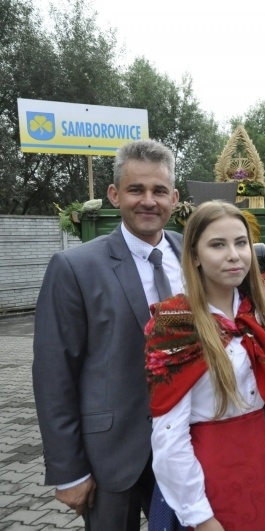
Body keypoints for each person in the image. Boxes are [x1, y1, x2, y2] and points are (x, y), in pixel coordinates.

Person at [32, 139, 181, 529]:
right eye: (136, 189)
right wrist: (69, 471)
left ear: (174, 198)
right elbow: (54, 374)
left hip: (187, 447)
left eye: (159, 191)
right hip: (112, 458)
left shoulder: (195, 255)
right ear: (115, 194)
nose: (148, 200)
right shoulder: (75, 267)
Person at [144, 201, 265, 530]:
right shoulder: (176, 324)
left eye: (241, 243)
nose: (234, 254)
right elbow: (169, 435)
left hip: (259, 455)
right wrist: (201, 518)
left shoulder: (255, 304)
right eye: (218, 244)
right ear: (196, 256)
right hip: (210, 470)